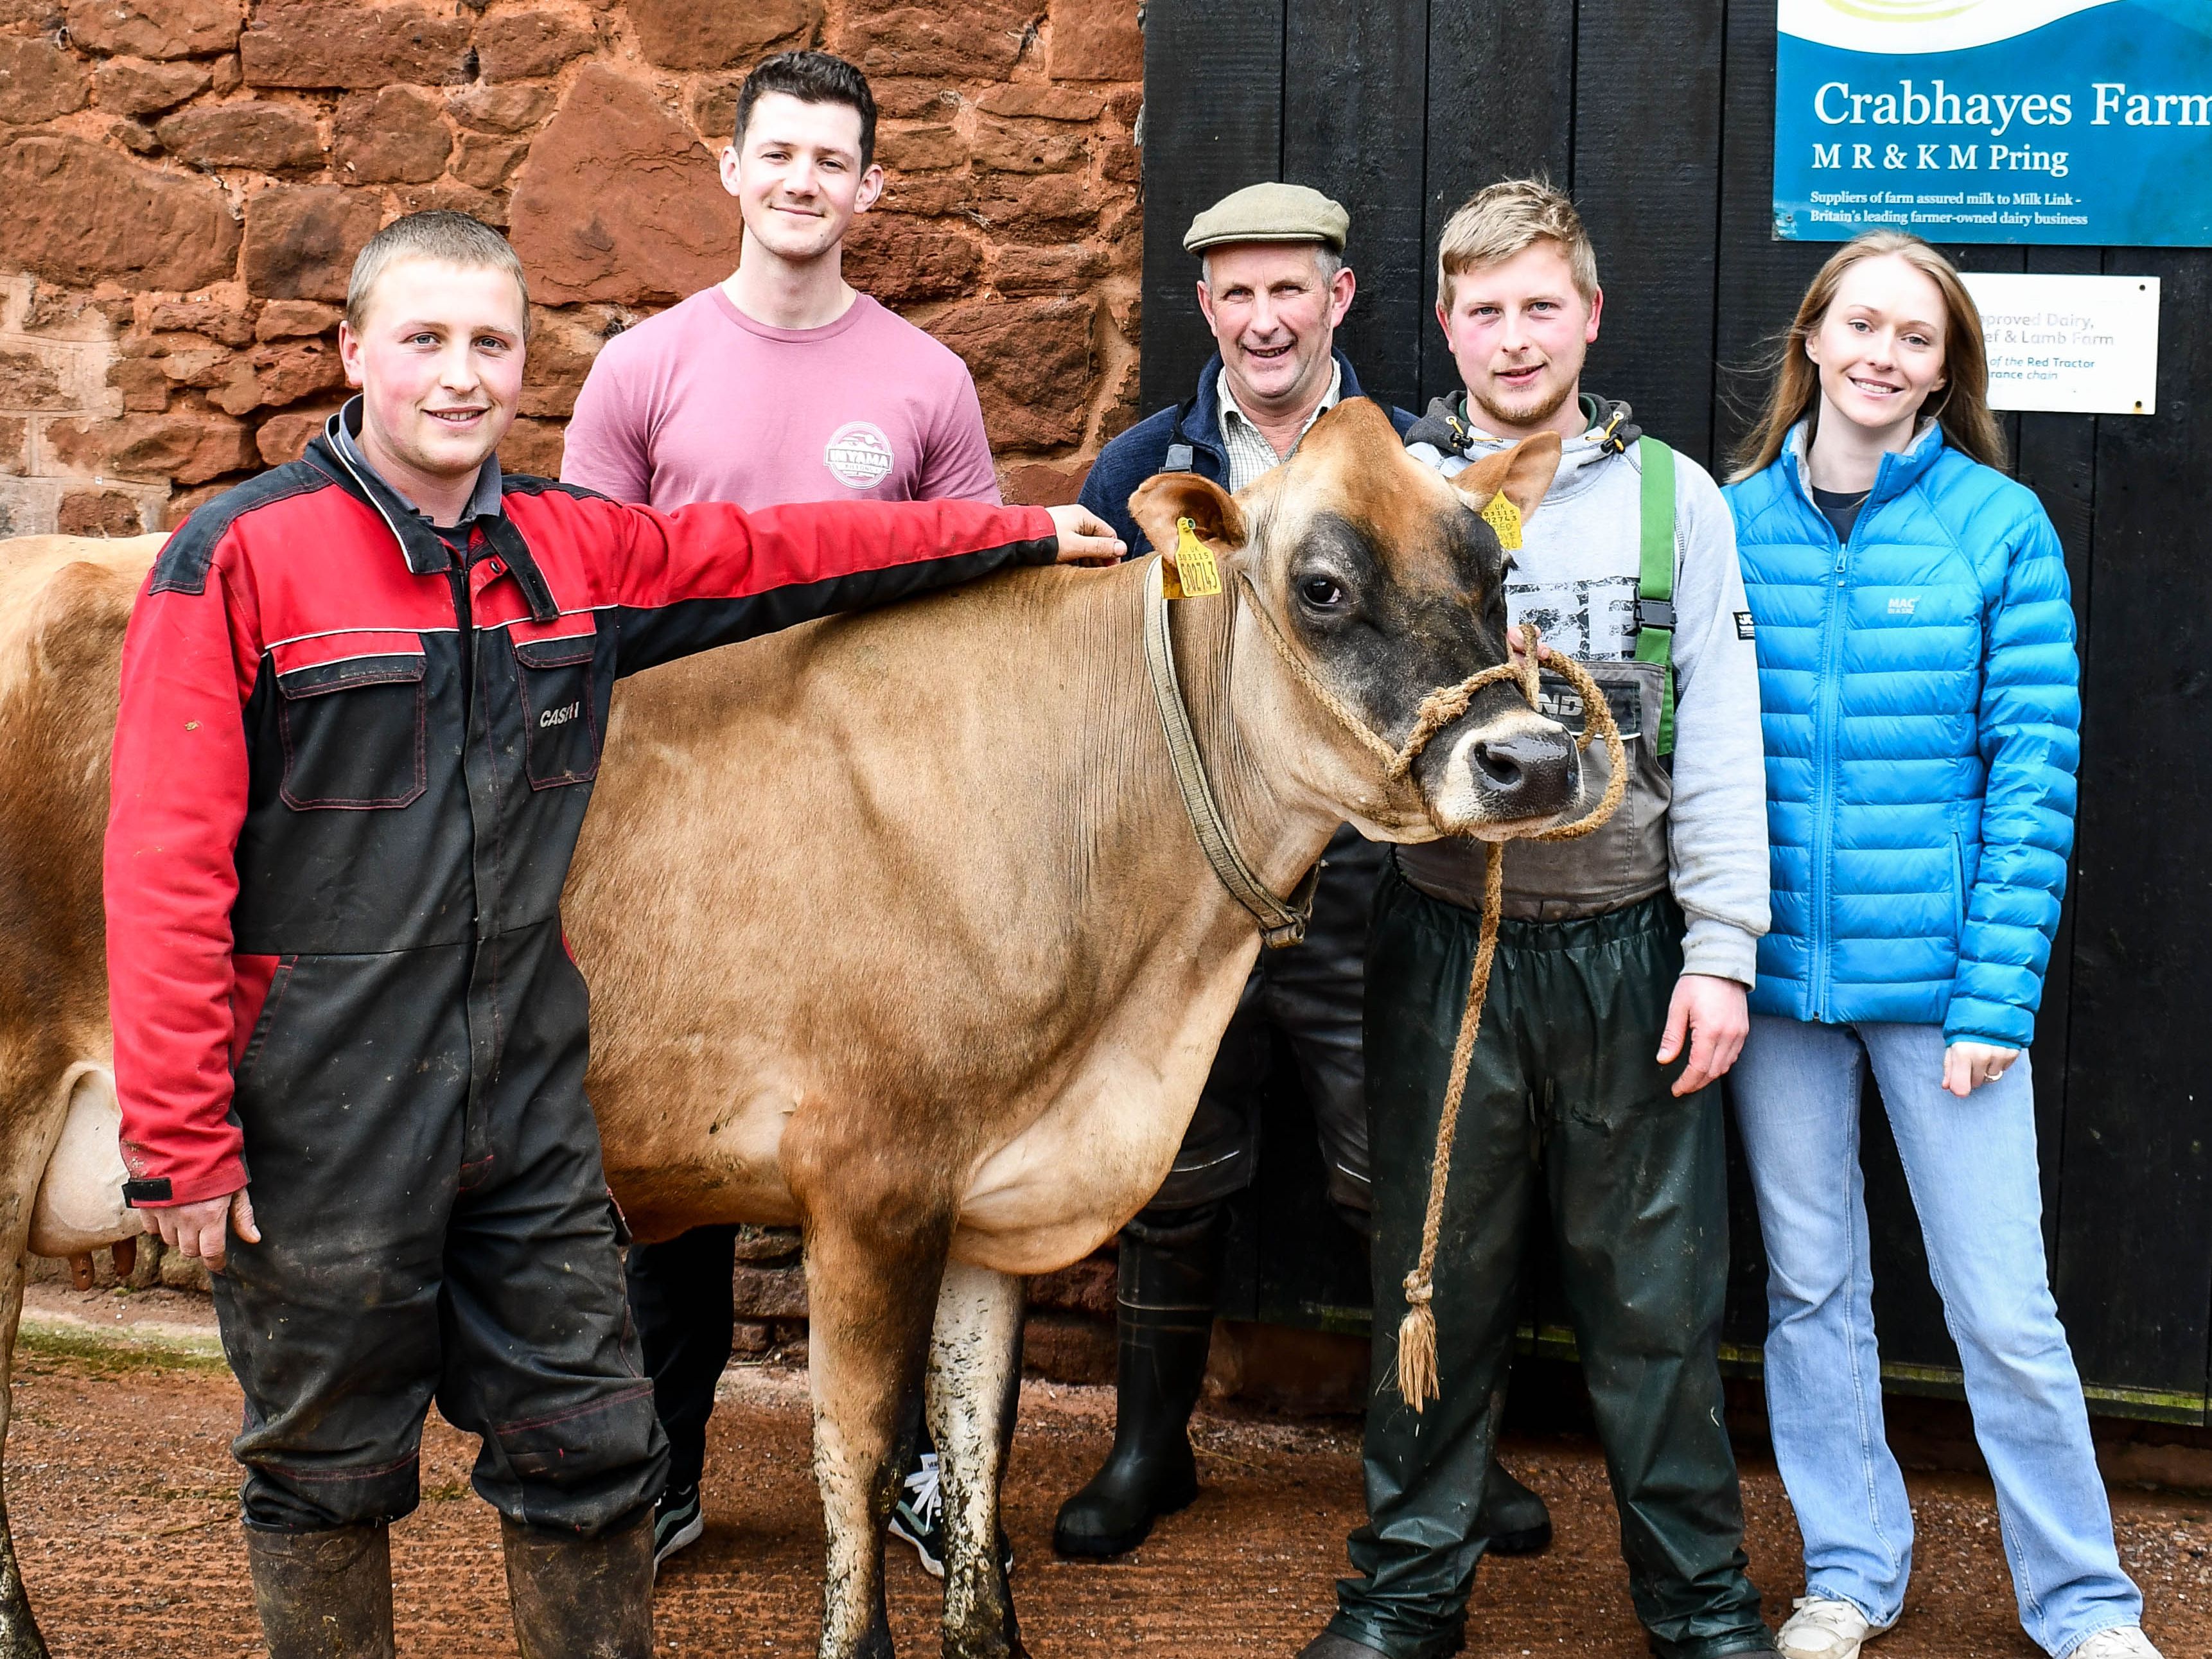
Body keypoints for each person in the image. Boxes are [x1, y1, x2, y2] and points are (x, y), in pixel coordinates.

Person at [107, 209, 1120, 1659]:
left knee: (594, 1447)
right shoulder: (242, 560)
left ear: (526, 362)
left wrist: (1012, 528)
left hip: (527, 1107)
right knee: (325, 1469)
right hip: (323, 1115)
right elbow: (160, 862)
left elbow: (786, 548)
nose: (461, 375)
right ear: (353, 353)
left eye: (491, 344)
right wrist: (183, 1137)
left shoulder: (572, 549)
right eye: (425, 340)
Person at [1306, 178, 1776, 1659]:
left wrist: (1721, 954)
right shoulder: (1396, 484)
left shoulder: (1674, 500)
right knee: (1432, 1276)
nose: (1514, 338)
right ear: (1445, 322)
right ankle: (1407, 1592)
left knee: (1657, 1297)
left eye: (1541, 306)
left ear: (1589, 314)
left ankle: (1700, 1603)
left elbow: (1725, 744)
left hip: (1628, 946)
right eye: (1485, 309)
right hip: (1450, 940)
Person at [1055, 180, 1553, 1565]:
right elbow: (1089, 680)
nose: (1264, 317)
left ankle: (1447, 1454)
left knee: (1397, 1161)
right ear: (1204, 307)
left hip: (1363, 876)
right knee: (1176, 1162)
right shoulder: (1144, 470)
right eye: (1237, 292)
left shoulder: (1425, 462)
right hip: (1189, 887)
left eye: (1293, 289)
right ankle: (1151, 1446)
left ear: (1342, 298)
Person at [561, 47, 1004, 1578]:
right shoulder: (645, 370)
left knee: (897, 1155)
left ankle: (901, 1473)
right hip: (679, 829)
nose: (806, 181)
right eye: (782, 155)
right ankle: (662, 1467)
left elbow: (969, 614)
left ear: (868, 191)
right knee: (667, 1173)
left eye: (835, 160)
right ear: (733, 173)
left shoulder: (926, 383)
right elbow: (589, 603)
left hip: (877, 836)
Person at [1723, 231, 2161, 1659]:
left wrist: (1997, 994)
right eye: (1863, 324)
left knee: (2004, 1307)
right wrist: (1717, 950)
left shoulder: (1998, 526)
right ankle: (1850, 1569)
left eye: (1918, 338)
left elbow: (2033, 770)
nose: (1884, 355)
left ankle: (2085, 1603)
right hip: (1779, 985)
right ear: (1813, 337)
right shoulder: (1731, 521)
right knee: (1810, 1289)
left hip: (1946, 995)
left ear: (1945, 368)